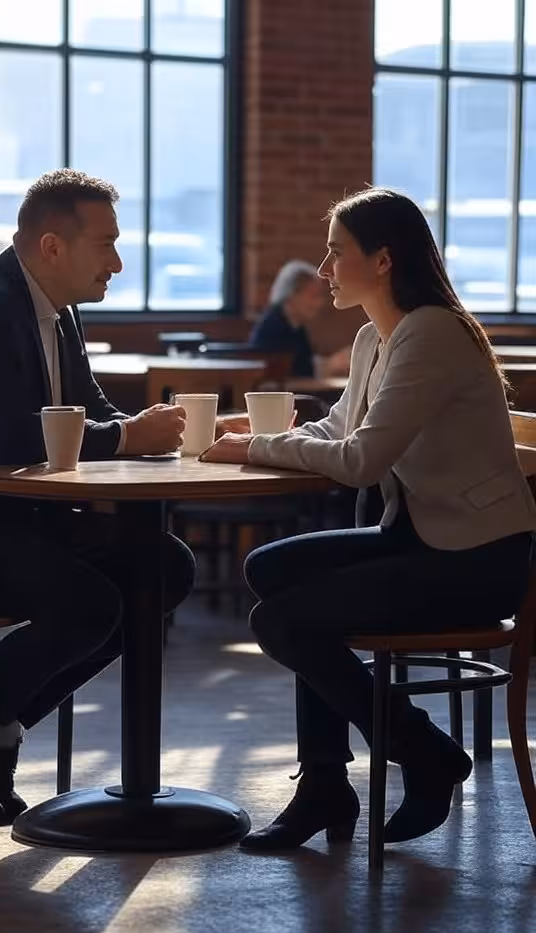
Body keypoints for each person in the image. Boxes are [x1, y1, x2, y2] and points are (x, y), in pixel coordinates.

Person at [0, 169, 248, 826]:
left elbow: (87, 413)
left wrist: (170, 434)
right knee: (90, 601)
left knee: (161, 566)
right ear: (53, 247)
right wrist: (125, 437)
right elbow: (10, 439)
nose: (119, 263)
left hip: (9, 525)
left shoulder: (55, 313)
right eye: (107, 244)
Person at [201, 187, 536, 851]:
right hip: (415, 536)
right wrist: (262, 432)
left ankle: (415, 754)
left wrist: (257, 448)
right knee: (271, 569)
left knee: (283, 618)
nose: (324, 270)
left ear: (382, 260)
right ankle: (331, 782)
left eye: (336, 253)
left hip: (478, 557)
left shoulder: (433, 332)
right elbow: (342, 426)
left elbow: (359, 459)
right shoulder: (372, 337)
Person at [249, 260, 351, 377]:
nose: (320, 303)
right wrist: (329, 365)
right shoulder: (273, 328)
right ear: (291, 295)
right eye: (314, 296)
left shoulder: (295, 325)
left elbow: (303, 360)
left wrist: (331, 363)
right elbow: (292, 373)